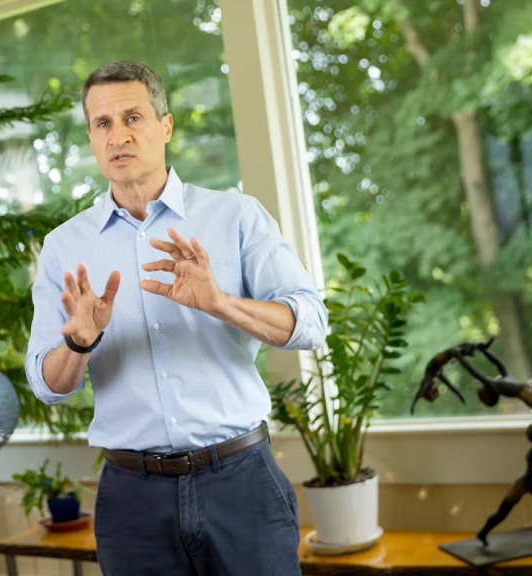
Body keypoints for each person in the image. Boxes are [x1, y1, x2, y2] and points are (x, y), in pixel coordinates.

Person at [26, 60, 328, 576]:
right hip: (132, 499)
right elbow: (47, 384)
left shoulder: (236, 216)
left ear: (165, 126)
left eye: (133, 118)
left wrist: (221, 304)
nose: (117, 135)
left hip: (241, 482)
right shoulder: (64, 248)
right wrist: (78, 342)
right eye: (102, 124)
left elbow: (311, 322)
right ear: (92, 138)